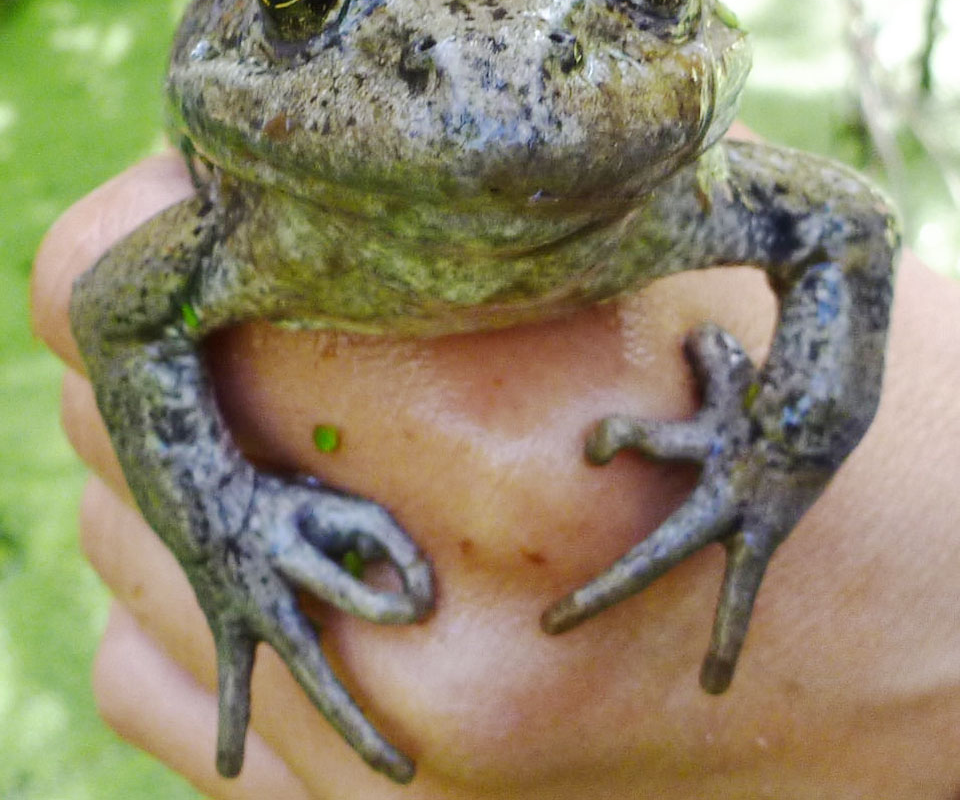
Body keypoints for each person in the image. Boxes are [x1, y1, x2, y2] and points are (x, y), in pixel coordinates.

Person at [31, 149, 960, 799]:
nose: (489, 93)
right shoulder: (237, 217)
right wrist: (224, 525)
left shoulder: (690, 183)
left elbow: (844, 227)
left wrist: (778, 455)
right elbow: (123, 312)